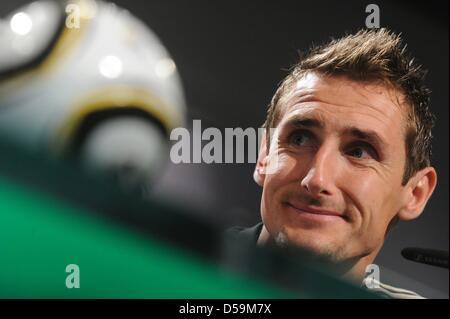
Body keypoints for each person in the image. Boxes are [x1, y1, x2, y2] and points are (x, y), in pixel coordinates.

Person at [229, 28, 437, 298]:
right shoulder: (171, 264)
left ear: (415, 194)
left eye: (360, 152)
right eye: (300, 139)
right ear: (264, 156)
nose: (316, 180)